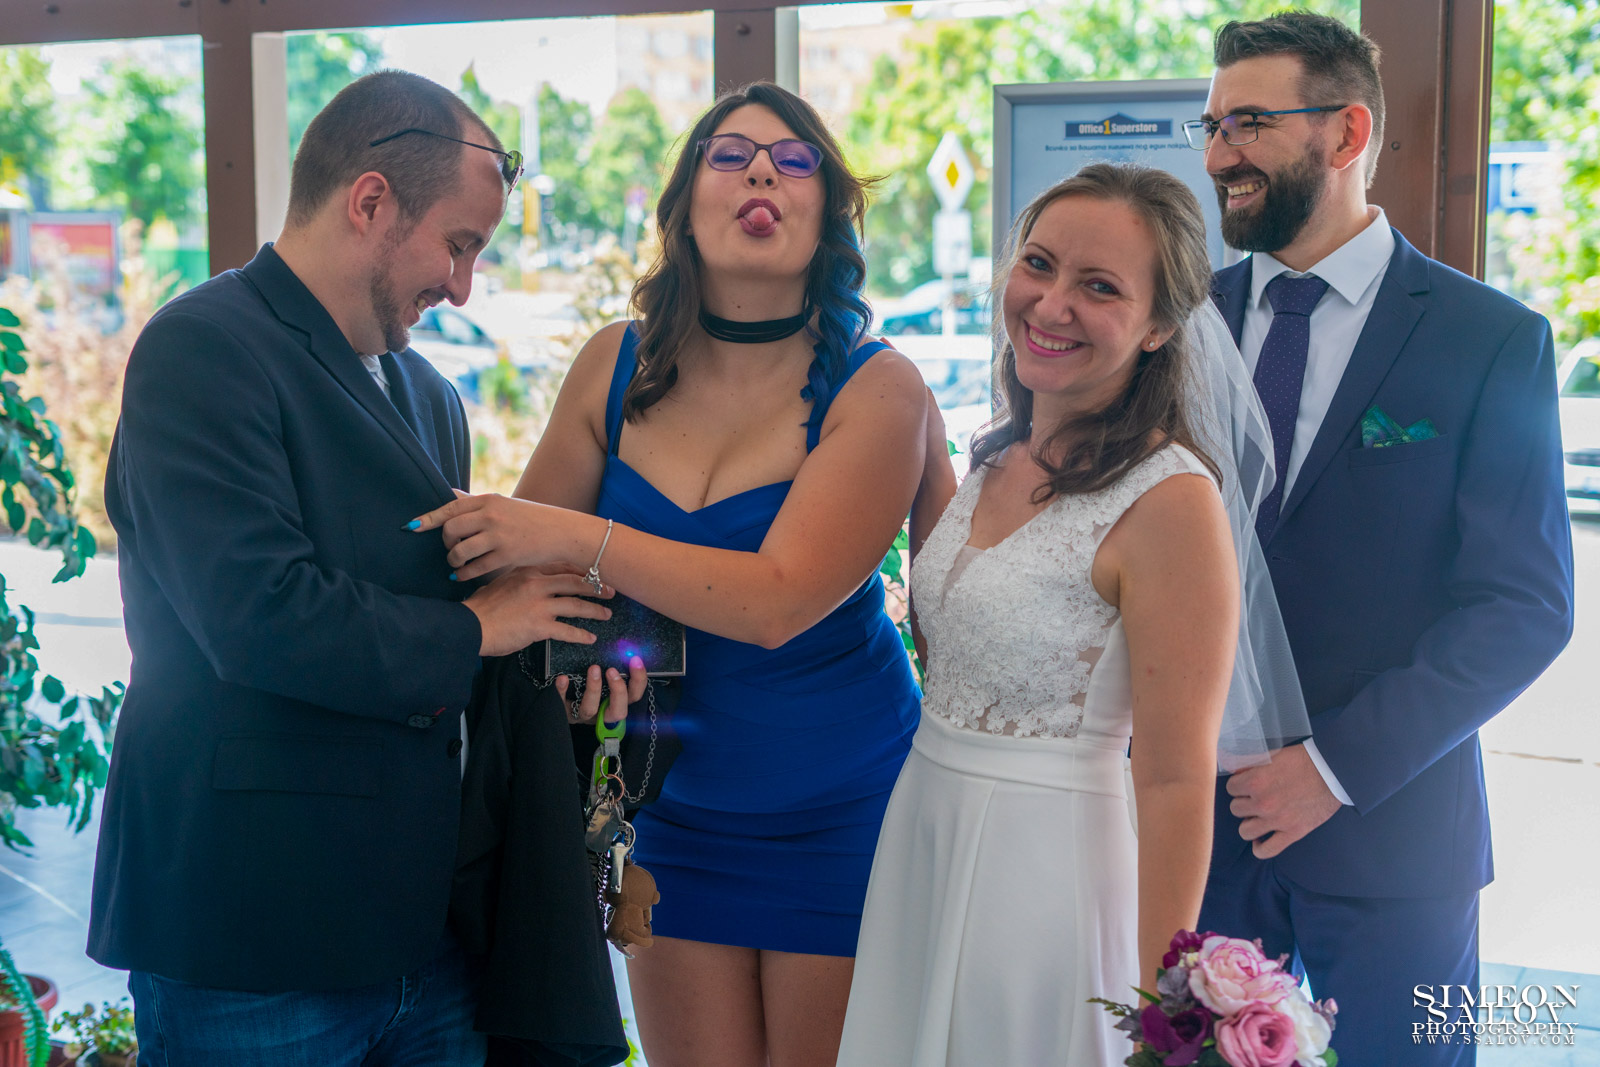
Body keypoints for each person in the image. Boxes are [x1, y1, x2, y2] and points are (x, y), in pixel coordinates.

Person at [87, 70, 636, 1066]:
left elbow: (437, 633)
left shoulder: (431, 395)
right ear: (372, 201)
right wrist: (482, 626)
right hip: (253, 936)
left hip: (429, 934)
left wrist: (552, 664)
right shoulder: (200, 348)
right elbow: (256, 612)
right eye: (458, 245)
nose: (463, 286)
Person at [409, 82, 927, 1067]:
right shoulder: (612, 363)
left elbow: (775, 600)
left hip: (846, 810)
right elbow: (531, 583)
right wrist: (573, 665)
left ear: (829, 212)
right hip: (668, 812)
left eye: (795, 160)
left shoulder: (880, 385)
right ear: (684, 204)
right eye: (729, 155)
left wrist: (573, 534)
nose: (762, 173)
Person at [1195, 14, 1574, 1065]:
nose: (1220, 154)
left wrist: (1332, 765)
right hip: (1198, 838)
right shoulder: (1177, 325)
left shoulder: (1489, 339)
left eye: (1250, 123)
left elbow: (1524, 605)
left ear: (1348, 131)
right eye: (1212, 125)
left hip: (1394, 838)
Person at [836, 162, 1274, 1065]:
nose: (1052, 303)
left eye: (1100, 286)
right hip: (922, 831)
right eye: (1038, 264)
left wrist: (1163, 1003)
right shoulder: (997, 453)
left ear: (1159, 326)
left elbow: (1175, 778)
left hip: (1044, 873)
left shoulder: (1170, 500)